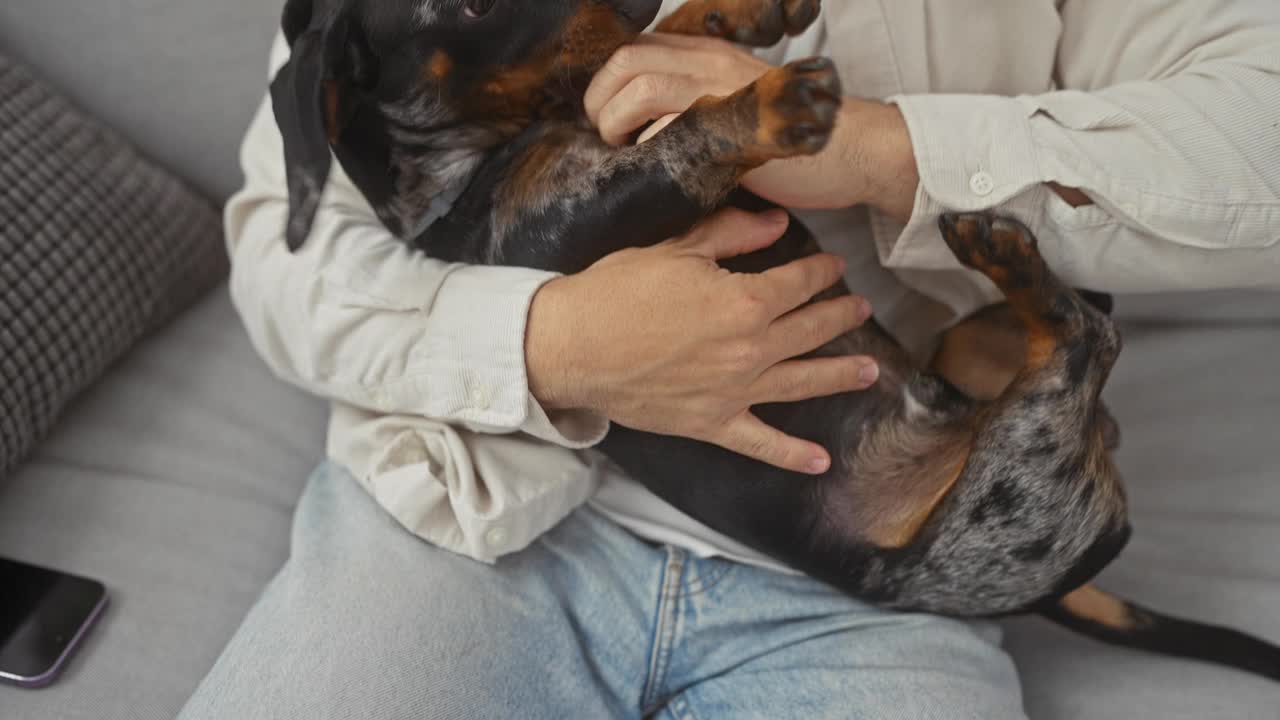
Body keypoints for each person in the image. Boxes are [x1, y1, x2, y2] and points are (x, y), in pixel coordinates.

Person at [180, 1, 1280, 718]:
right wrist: (548, 346)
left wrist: (886, 150)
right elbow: (284, 261)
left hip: (871, 570)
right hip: (465, 505)